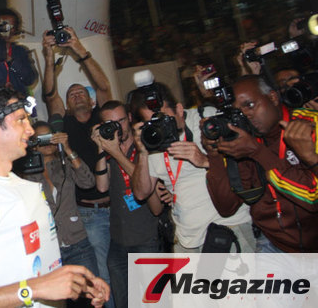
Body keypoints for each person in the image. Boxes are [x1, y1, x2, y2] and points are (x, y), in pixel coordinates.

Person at [0, 84, 110, 308]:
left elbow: (35, 269)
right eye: (21, 120)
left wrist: (74, 282)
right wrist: (35, 289)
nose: (30, 130)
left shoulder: (26, 187)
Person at [129, 81, 255, 253]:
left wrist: (205, 160)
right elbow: (141, 193)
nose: (161, 125)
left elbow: (245, 163)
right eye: (153, 121)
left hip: (230, 227)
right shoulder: (152, 139)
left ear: (179, 110)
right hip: (187, 238)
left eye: (165, 118)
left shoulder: (206, 118)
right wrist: (143, 152)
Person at [41, 28, 115, 302]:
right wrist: (49, 57)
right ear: (67, 107)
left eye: (80, 92)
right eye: (70, 94)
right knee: (103, 277)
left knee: (127, 269)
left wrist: (78, 48)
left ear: (91, 100)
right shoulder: (65, 124)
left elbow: (104, 86)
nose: (75, 95)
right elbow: (50, 94)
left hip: (120, 205)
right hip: (89, 212)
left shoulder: (102, 116)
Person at [205, 75, 318, 252]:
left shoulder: (308, 125)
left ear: (272, 97)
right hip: (272, 244)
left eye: (249, 105)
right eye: (238, 112)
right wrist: (215, 157)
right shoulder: (243, 139)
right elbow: (226, 208)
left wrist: (258, 152)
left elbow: (312, 198)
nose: (246, 115)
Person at [91, 101, 164, 308]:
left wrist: (116, 153)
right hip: (119, 239)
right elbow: (102, 187)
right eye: (110, 124)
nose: (118, 127)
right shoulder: (108, 150)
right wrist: (101, 148)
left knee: (154, 301)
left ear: (130, 118)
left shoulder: (145, 145)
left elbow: (148, 191)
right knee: (124, 302)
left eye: (121, 121)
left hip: (146, 237)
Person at [23, 121, 101, 288]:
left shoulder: (65, 163)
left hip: (77, 242)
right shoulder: (27, 172)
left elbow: (88, 182)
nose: (47, 142)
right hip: (49, 247)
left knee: (91, 290)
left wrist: (68, 149)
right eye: (41, 139)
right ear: (33, 144)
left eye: (50, 137)